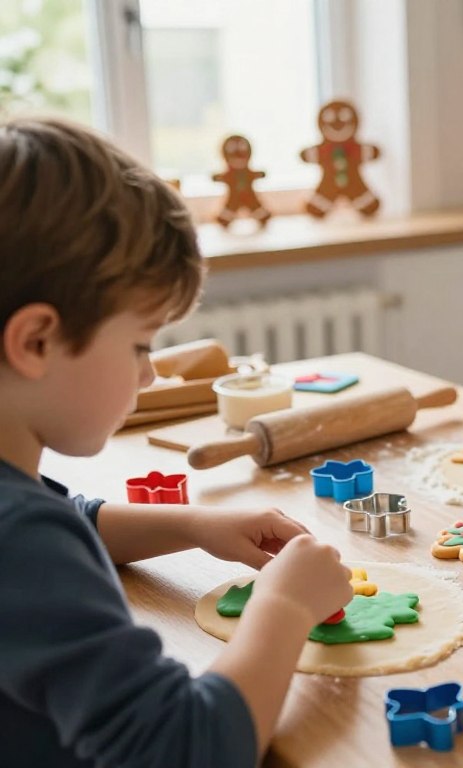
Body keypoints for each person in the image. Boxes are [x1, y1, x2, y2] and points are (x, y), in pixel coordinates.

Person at [0, 118, 354, 767]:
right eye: (141, 345)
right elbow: (188, 749)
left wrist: (192, 524)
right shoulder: (20, 539)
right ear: (36, 341)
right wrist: (285, 605)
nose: (149, 374)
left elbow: (65, 520)